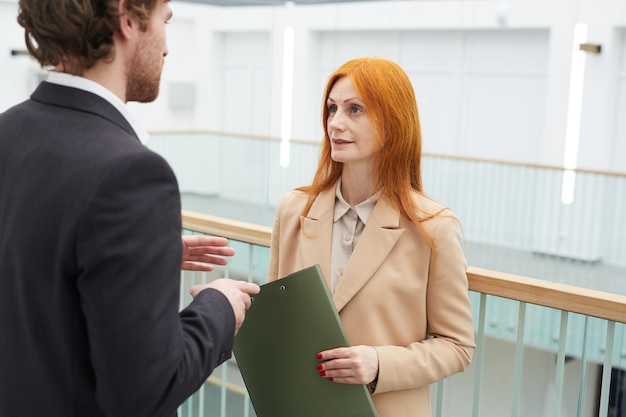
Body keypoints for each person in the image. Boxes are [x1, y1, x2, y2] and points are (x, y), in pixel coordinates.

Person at [0, 1, 259, 416]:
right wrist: (218, 308)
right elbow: (146, 391)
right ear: (127, 19)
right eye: (165, 21)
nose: (168, 47)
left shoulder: (9, 130)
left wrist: (145, 254)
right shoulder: (131, 172)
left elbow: (32, 265)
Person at [268, 57, 475, 417]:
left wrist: (379, 364)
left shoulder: (434, 227)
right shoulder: (294, 210)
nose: (335, 123)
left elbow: (457, 346)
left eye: (355, 110)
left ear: (393, 123)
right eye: (332, 109)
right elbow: (276, 318)